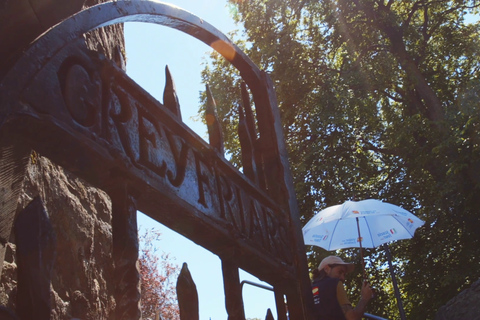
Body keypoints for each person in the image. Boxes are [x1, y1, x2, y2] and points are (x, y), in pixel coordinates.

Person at [311, 255, 374, 320]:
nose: (343, 278)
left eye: (344, 275)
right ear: (327, 269)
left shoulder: (308, 290)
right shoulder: (335, 283)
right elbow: (352, 318)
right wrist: (364, 298)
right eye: (340, 272)